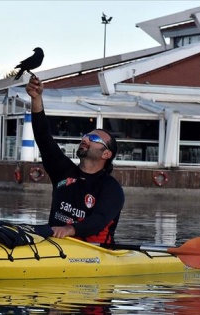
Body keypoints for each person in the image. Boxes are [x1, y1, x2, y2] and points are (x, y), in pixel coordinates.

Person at [25, 76, 125, 244]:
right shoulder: (63, 171)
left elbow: (98, 221)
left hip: (94, 251)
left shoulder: (112, 189)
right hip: (55, 244)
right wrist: (36, 98)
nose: (85, 139)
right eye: (86, 136)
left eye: (93, 138)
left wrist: (69, 229)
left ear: (106, 154)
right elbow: (43, 137)